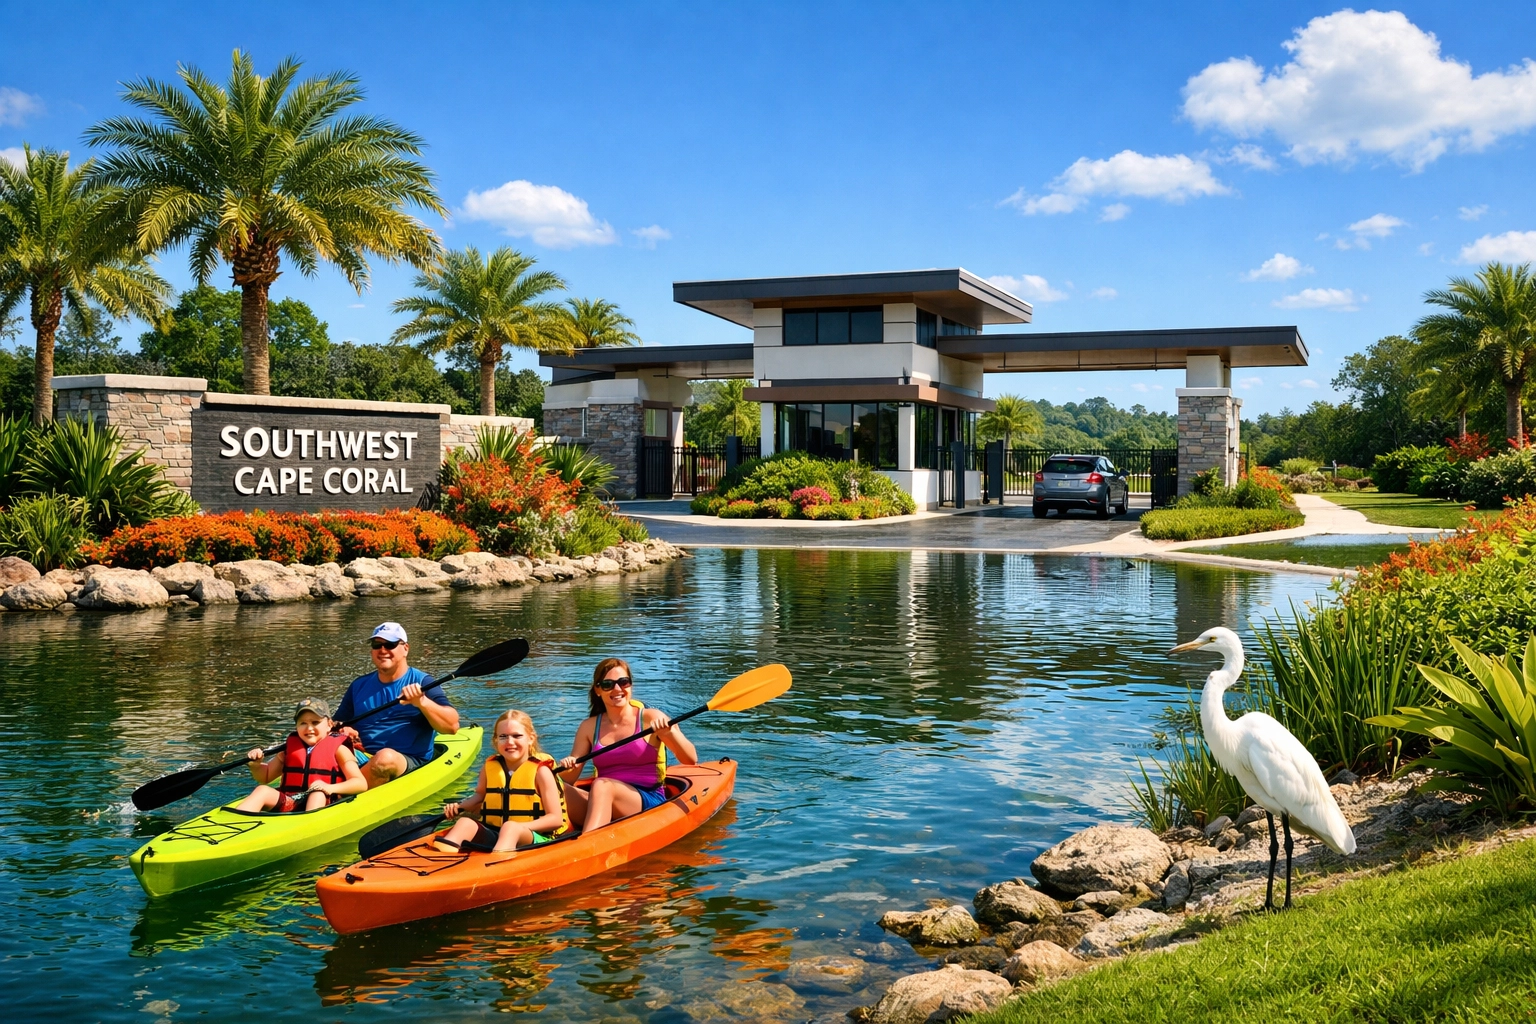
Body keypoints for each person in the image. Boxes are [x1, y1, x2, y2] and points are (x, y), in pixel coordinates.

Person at [557, 658, 697, 830]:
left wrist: (670, 733)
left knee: (601, 785)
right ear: (598, 690)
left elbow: (690, 759)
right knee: (552, 786)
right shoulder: (588, 727)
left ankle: (588, 845)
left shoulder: (651, 718)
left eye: (623, 682)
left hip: (647, 800)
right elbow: (570, 779)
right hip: (602, 797)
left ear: (630, 686)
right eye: (608, 684)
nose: (617, 689)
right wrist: (568, 765)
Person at [334, 622, 460, 789]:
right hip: (362, 755)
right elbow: (336, 724)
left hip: (407, 760)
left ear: (405, 648)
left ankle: (335, 797)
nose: (383, 650)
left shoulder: (423, 682)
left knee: (385, 759)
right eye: (377, 645)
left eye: (390, 644)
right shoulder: (359, 685)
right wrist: (343, 730)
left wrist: (421, 702)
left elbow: (452, 727)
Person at [434, 709, 569, 853]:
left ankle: (495, 866)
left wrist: (519, 826)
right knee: (465, 823)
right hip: (496, 832)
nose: (510, 742)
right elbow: (479, 796)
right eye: (503, 736)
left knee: (510, 828)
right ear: (495, 740)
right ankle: (439, 861)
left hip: (535, 837)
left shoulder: (541, 772)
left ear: (531, 738)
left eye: (517, 736)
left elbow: (555, 819)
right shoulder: (489, 768)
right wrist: (458, 808)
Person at [236, 698, 365, 813]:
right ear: (296, 726)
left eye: (315, 722)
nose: (309, 728)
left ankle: (308, 828)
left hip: (326, 801)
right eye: (303, 723)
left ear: (329, 725)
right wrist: (256, 765)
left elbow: (360, 784)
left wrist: (329, 788)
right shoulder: (289, 750)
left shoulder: (340, 750)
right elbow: (266, 776)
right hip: (293, 801)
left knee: (317, 793)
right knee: (262, 790)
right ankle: (234, 822)